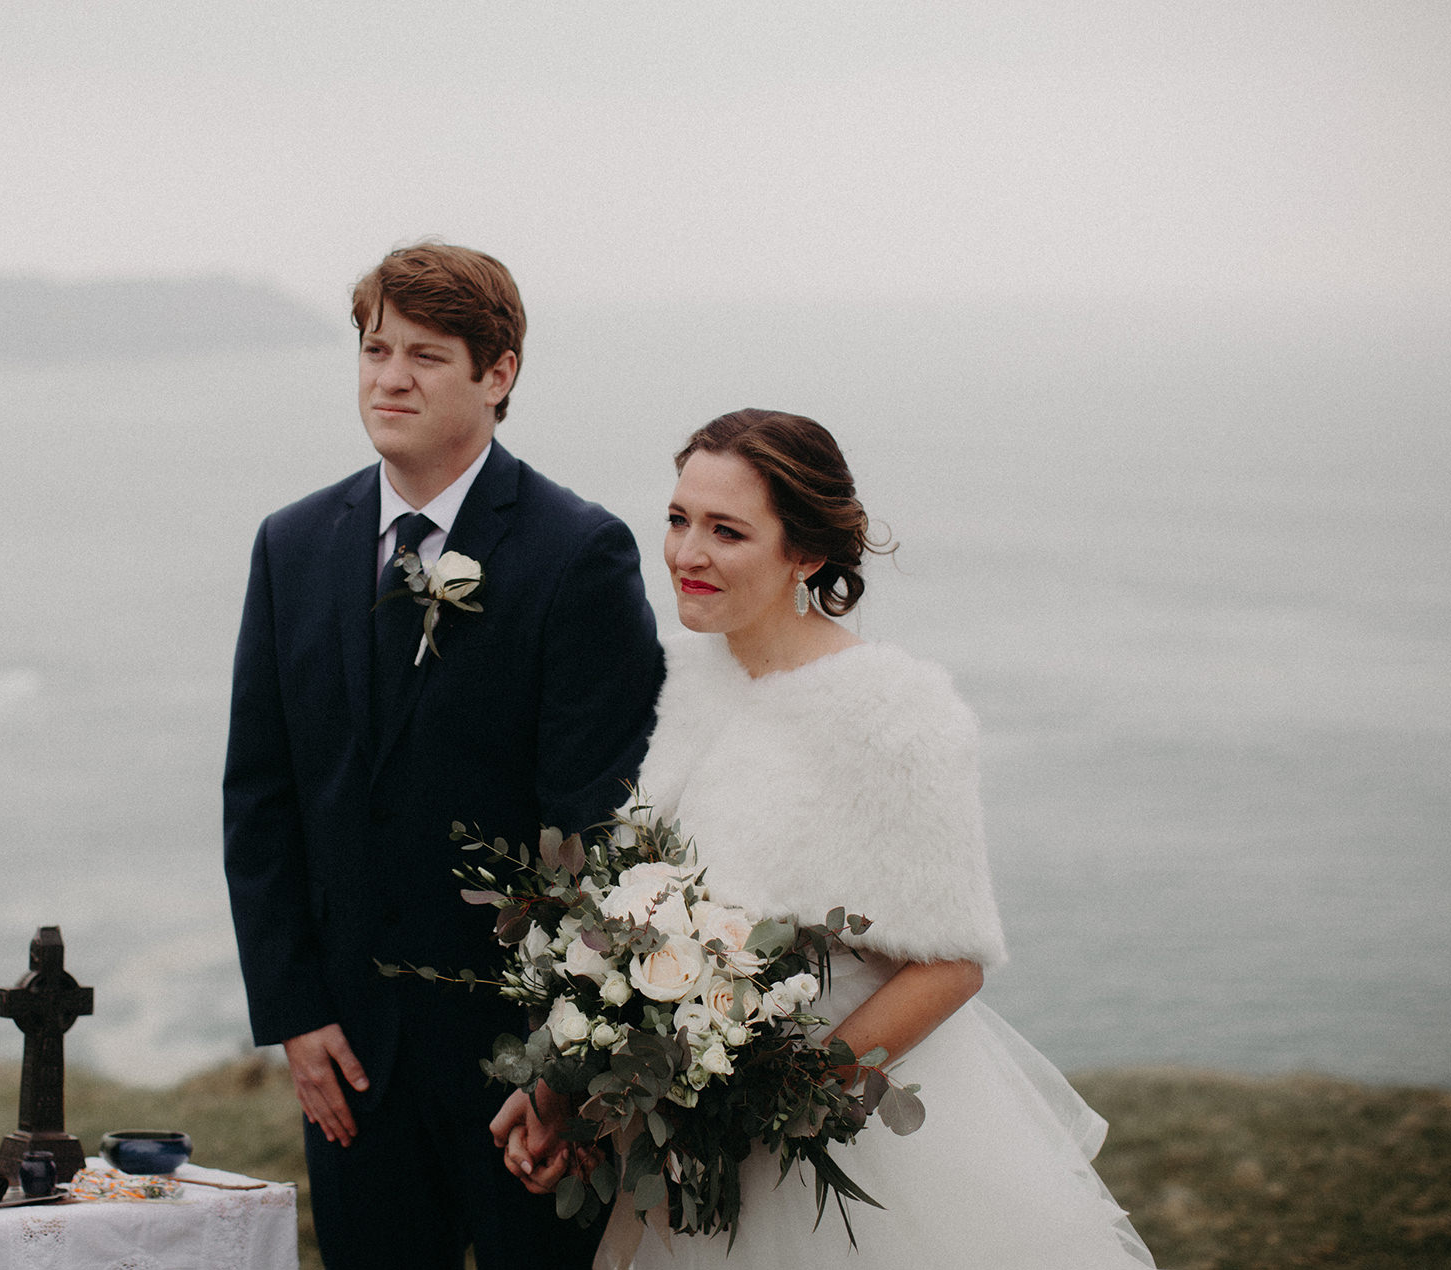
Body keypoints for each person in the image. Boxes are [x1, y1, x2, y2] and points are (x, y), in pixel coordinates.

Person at [493, 408, 1154, 1266]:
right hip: (691, 1157)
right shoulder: (698, 672)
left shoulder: (895, 717)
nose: (686, 553)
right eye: (678, 518)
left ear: (805, 553)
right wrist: (572, 1085)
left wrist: (768, 1107)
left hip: (834, 1162)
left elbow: (952, 963)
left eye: (726, 531)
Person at [222, 242, 664, 1269]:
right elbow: (262, 796)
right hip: (349, 1059)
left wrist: (564, 1068)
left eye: (425, 354)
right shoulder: (290, 544)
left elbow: (590, 831)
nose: (389, 377)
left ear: (497, 373)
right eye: (375, 349)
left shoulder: (577, 553)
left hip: (521, 1077)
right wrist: (294, 1014)